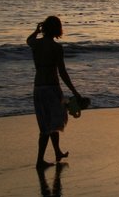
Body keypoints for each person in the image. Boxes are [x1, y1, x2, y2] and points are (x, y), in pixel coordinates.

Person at [27, 15, 84, 169]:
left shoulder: (35, 44)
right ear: (58, 29)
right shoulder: (56, 48)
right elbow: (63, 73)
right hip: (52, 89)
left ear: (44, 28)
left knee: (48, 123)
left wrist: (36, 31)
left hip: (38, 89)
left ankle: (57, 152)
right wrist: (75, 91)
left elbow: (28, 40)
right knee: (51, 124)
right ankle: (40, 160)